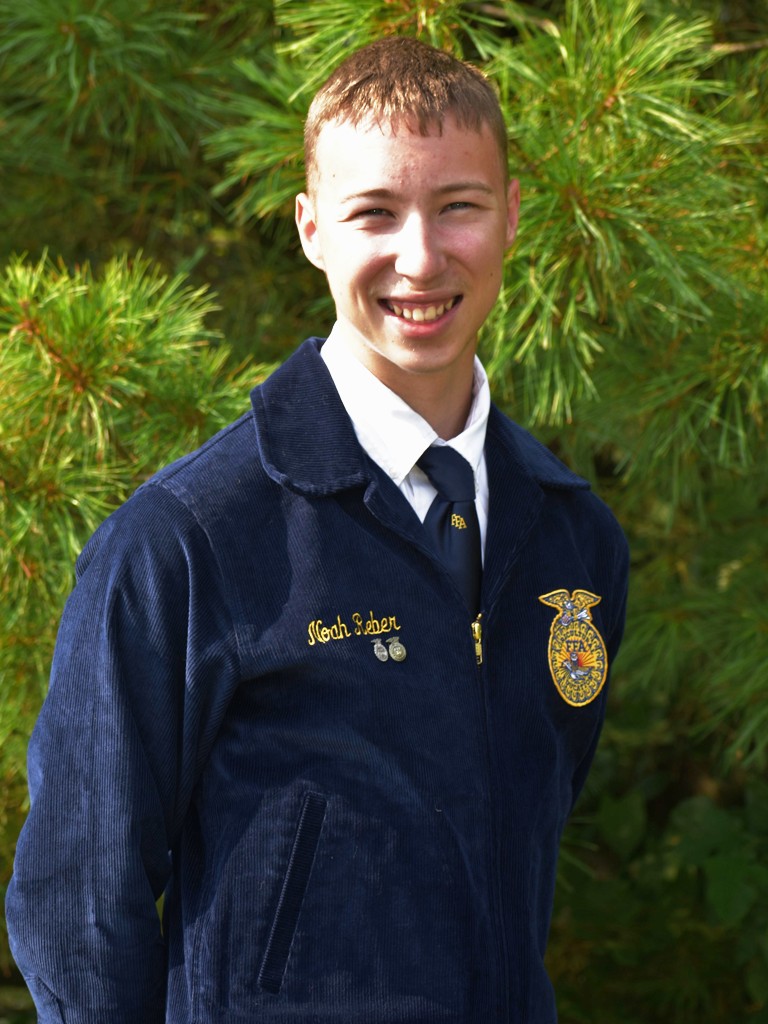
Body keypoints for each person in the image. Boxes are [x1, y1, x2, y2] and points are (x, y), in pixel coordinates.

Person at [6, 36, 629, 1024]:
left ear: (512, 215)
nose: (419, 257)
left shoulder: (571, 542)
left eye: (458, 206)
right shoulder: (186, 543)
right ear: (311, 230)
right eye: (374, 212)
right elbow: (81, 906)